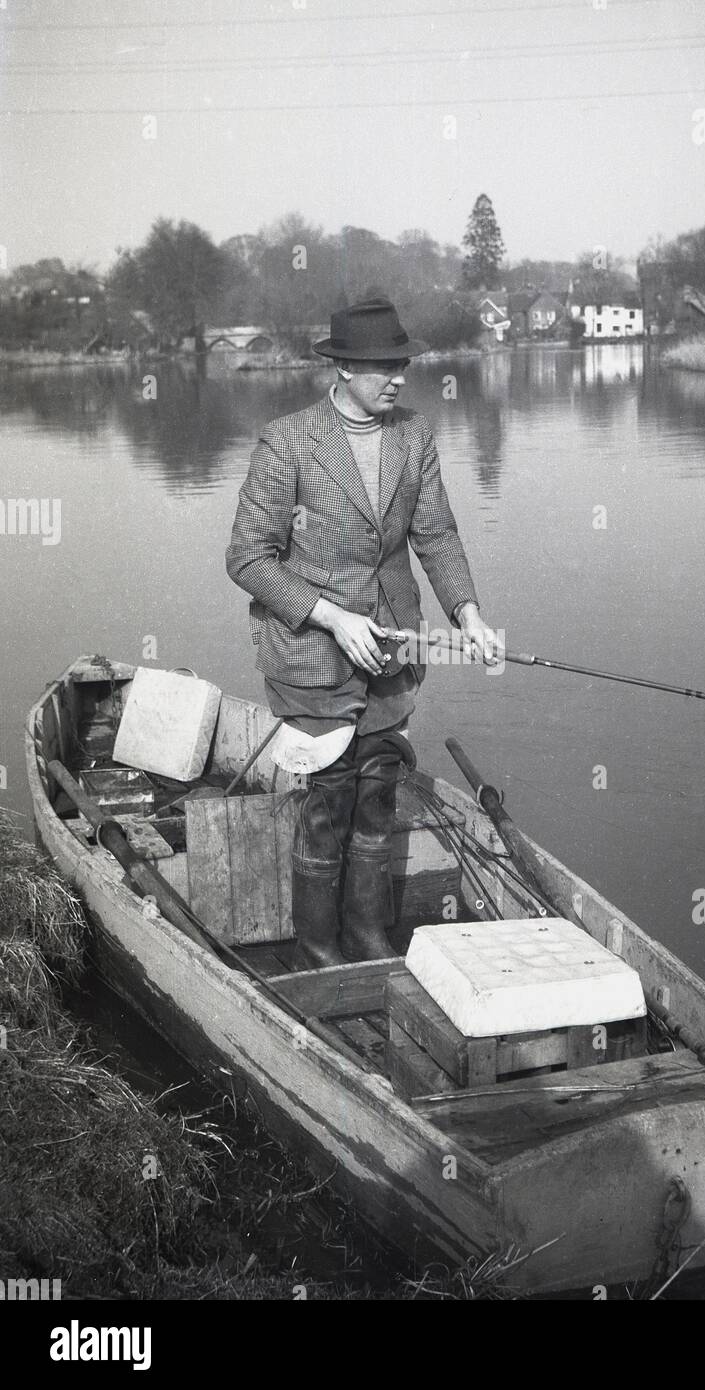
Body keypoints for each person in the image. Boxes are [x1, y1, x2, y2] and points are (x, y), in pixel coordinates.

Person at [226, 296, 499, 969]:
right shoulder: (286, 442)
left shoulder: (415, 436)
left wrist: (468, 614)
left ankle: (371, 939)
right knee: (328, 801)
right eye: (383, 366)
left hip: (392, 654)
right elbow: (248, 559)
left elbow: (436, 535)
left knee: (377, 795)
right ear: (344, 367)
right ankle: (318, 951)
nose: (398, 377)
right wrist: (330, 616)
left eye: (402, 364)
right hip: (311, 655)